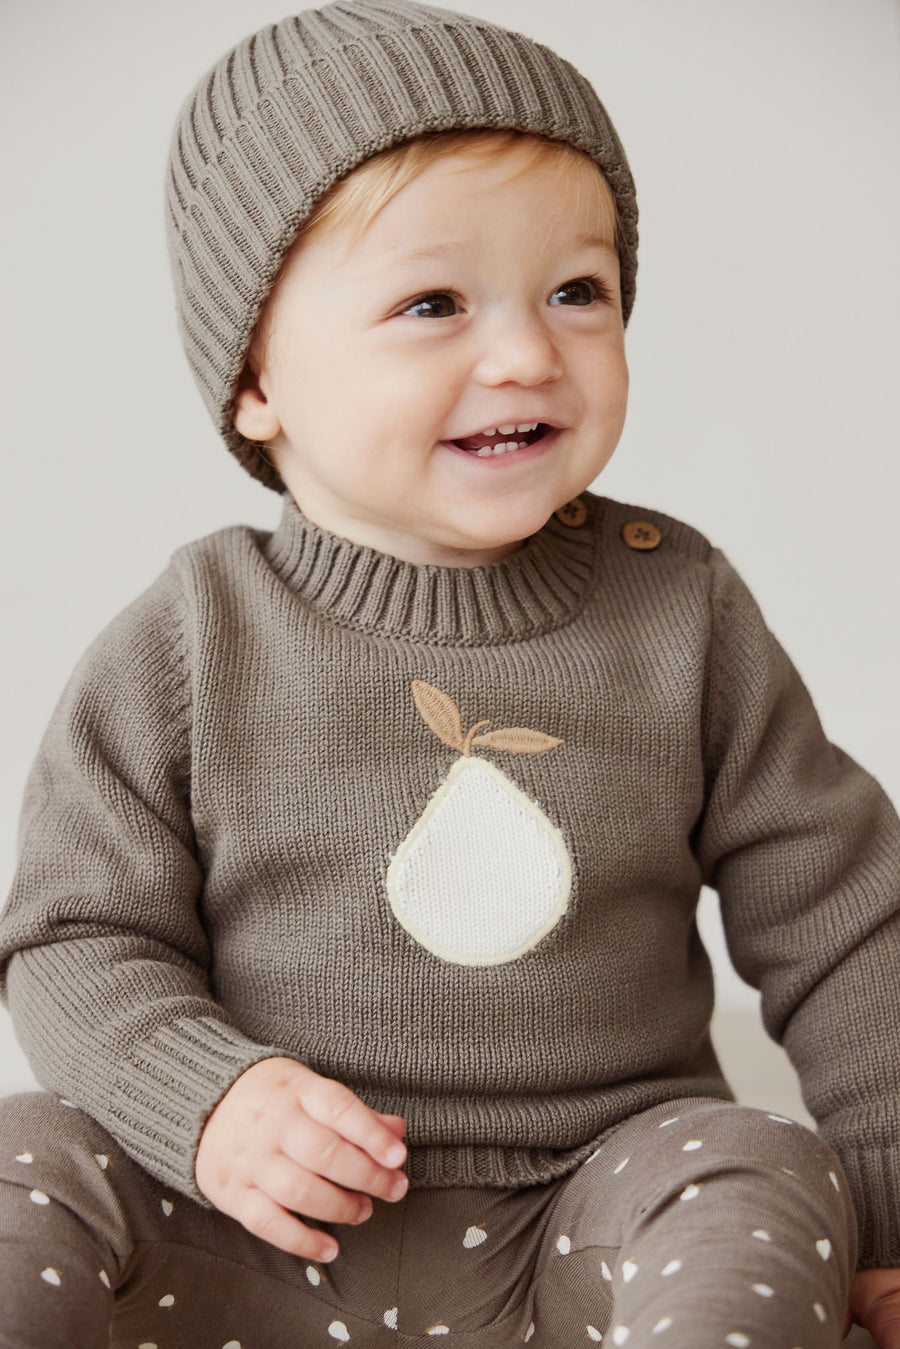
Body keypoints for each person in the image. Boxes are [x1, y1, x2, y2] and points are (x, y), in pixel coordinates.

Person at [0, 1, 897, 1344]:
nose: (529, 353)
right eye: (434, 303)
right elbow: (74, 933)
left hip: (588, 1227)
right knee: (27, 1157)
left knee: (755, 1166)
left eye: (578, 291)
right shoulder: (195, 635)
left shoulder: (679, 610)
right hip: (253, 1242)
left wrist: (889, 1214)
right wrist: (206, 1099)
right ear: (257, 380)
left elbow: (851, 924)